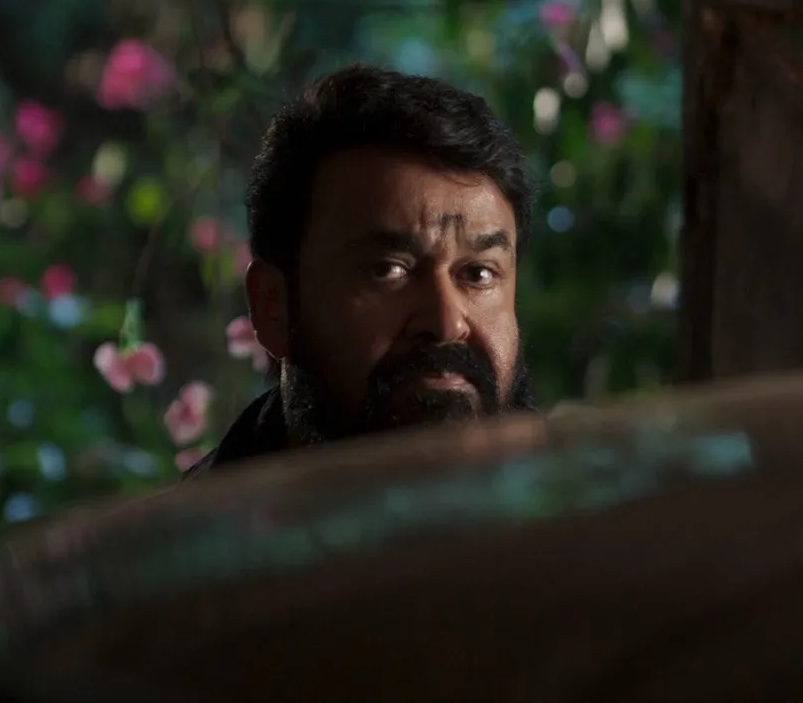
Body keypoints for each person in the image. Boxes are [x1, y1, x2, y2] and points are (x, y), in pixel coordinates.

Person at [182, 64, 540, 478]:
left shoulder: (583, 505)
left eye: (478, 274)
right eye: (387, 270)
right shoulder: (199, 520)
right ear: (272, 306)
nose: (446, 323)